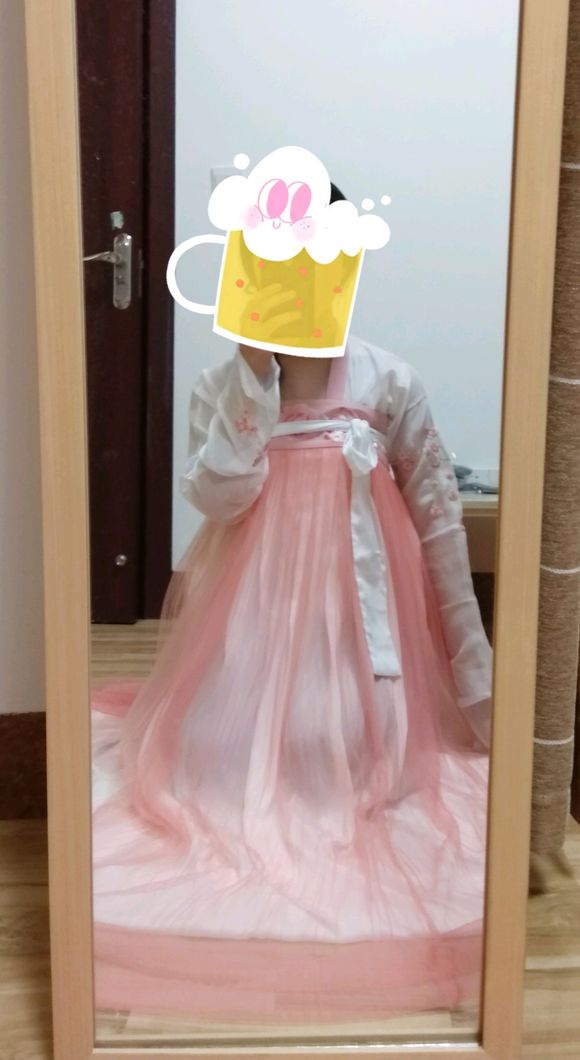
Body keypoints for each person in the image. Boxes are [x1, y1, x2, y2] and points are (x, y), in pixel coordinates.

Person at [90, 184, 492, 1025]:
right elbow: (219, 496)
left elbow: (438, 515)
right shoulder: (224, 384)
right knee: (219, 761)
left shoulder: (387, 378)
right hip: (254, 609)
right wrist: (252, 373)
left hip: (357, 614)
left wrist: (470, 659)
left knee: (351, 751)